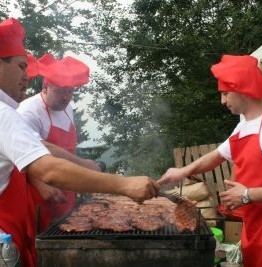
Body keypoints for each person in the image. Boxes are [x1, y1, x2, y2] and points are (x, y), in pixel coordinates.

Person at [0, 17, 159, 267]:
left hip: (35, 207)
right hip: (13, 217)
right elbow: (47, 167)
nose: (25, 76)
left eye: (70, 91)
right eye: (21, 67)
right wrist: (124, 184)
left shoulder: (20, 111)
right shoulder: (9, 114)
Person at [158, 54, 262, 267]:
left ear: (242, 88)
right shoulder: (243, 126)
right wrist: (182, 172)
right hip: (254, 231)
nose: (222, 101)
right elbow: (217, 155)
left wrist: (246, 195)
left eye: (225, 93)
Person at [17, 53, 102, 232]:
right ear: (45, 87)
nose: (66, 97)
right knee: (38, 243)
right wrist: (42, 186)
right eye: (61, 91)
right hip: (37, 194)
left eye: (70, 91)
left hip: (65, 190)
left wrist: (80, 177)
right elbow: (33, 151)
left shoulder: (67, 109)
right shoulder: (29, 111)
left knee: (68, 231)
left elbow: (68, 151)